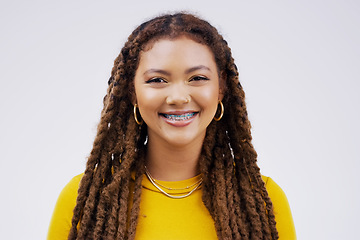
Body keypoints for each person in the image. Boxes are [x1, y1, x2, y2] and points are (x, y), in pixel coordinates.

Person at [48, 12, 296, 240]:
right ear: (133, 93)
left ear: (221, 89)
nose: (178, 97)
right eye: (157, 80)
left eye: (197, 78)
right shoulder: (84, 200)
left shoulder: (263, 201)